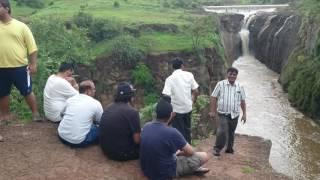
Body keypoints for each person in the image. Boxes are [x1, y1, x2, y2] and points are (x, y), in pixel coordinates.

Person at [140, 97, 210, 180]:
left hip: (147, 170)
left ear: (156, 113)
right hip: (166, 172)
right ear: (171, 115)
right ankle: (190, 169)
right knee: (204, 155)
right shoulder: (172, 132)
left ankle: (189, 168)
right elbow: (190, 152)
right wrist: (180, 153)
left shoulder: (146, 126)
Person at [0, 0, 42, 123]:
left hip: (20, 67)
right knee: (3, 93)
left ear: (7, 9)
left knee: (27, 91)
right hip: (1, 67)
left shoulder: (21, 26)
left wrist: (33, 64)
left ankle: (36, 114)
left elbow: (32, 47)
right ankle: (5, 116)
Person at [209, 67, 247, 156]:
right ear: (227, 74)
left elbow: (242, 101)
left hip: (235, 114)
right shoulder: (220, 84)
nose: (232, 76)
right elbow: (213, 97)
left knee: (231, 131)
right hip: (223, 113)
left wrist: (244, 114)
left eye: (234, 74)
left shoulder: (240, 86)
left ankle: (229, 148)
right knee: (222, 130)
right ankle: (217, 149)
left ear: (236, 76)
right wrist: (212, 111)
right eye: (230, 74)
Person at [100, 82, 141, 161]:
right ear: (131, 97)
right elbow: (137, 140)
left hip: (105, 150)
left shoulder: (108, 107)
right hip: (120, 154)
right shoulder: (132, 112)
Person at [162, 57, 199, 143]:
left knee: (178, 132)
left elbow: (165, 95)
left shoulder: (169, 79)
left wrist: (169, 110)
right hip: (188, 108)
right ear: (182, 66)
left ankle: (181, 151)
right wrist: (192, 101)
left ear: (173, 67)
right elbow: (196, 91)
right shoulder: (189, 75)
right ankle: (188, 149)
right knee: (187, 129)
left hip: (176, 110)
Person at [58, 80, 103, 147]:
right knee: (101, 129)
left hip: (62, 136)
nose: (95, 91)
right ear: (88, 91)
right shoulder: (96, 103)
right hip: (78, 141)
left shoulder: (71, 99)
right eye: (93, 89)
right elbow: (101, 121)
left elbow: (61, 114)